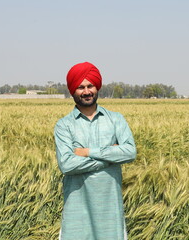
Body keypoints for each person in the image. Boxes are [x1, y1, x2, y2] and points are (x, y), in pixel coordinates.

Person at [54, 62, 137, 240]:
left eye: (90, 85)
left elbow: (130, 152)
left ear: (97, 87)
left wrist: (87, 152)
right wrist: (111, 156)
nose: (86, 91)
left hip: (110, 210)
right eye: (80, 87)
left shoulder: (116, 119)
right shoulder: (64, 125)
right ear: (72, 91)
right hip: (77, 210)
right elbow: (67, 165)